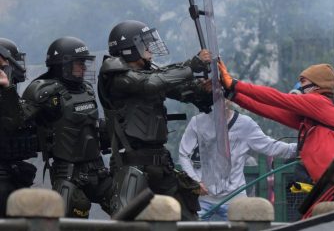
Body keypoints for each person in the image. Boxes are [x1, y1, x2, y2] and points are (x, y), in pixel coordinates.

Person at [98, 20, 213, 220]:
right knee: (126, 221)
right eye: (144, 43)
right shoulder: (116, 76)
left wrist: (204, 90)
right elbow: (150, 84)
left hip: (161, 163)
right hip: (132, 164)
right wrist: (191, 66)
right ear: (129, 49)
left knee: (188, 218)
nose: (150, 48)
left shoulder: (150, 73)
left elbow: (178, 88)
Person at [218, 61, 334, 217]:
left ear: (317, 85)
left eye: (303, 81)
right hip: (328, 182)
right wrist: (231, 95)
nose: (298, 86)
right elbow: (269, 110)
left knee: (318, 223)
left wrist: (234, 84)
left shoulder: (319, 102)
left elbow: (276, 98)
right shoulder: (311, 117)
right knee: (310, 222)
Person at [20, 36, 116, 218]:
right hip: (69, 174)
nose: (84, 67)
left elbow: (92, 126)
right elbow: (17, 121)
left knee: (129, 211)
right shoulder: (45, 91)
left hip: (98, 170)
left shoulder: (86, 89)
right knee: (73, 221)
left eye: (84, 62)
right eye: (79, 63)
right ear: (64, 65)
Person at [178, 99, 297, 220]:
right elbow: (184, 154)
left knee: (243, 226)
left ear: (231, 99)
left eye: (225, 95)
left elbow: (270, 146)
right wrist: (195, 181)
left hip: (234, 196)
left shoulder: (245, 124)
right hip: (202, 196)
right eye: (216, 96)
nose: (221, 101)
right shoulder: (197, 122)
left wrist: (300, 147)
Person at [0, 38, 37, 217]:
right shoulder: (6, 95)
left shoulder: (11, 95)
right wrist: (6, 88)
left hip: (14, 173)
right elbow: (11, 123)